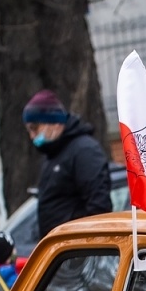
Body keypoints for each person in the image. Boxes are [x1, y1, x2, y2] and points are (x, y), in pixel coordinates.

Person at [22, 89, 113, 235]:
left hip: (78, 248)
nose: (32, 136)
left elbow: (98, 207)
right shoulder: (52, 154)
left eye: (35, 128)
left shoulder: (84, 151)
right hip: (63, 249)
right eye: (29, 130)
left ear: (54, 122)